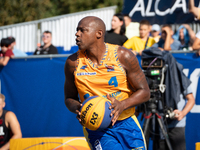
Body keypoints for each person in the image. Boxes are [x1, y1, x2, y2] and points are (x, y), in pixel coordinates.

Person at [64, 16, 150, 150]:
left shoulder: (123, 56)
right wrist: (80, 108)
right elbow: (69, 98)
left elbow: (145, 92)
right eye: (77, 30)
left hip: (127, 123)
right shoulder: (73, 63)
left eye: (82, 30)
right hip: (97, 127)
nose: (77, 34)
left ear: (99, 33)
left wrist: (122, 104)